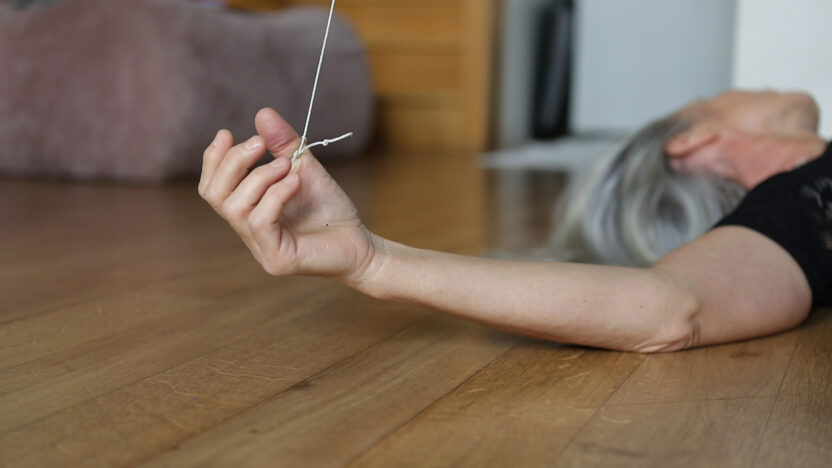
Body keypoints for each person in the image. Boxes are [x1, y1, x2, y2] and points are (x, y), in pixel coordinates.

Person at [198, 90, 831, 353]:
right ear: (689, 140)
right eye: (707, 98)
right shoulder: (796, 205)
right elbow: (671, 308)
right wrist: (373, 262)